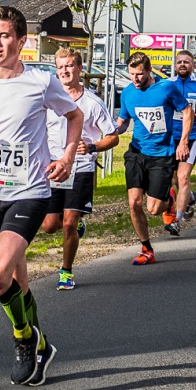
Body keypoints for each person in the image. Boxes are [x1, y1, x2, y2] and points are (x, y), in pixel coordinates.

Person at [0, 6, 82, 387]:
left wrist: (67, 156)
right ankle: (42, 347)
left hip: (30, 190)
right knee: (17, 281)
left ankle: (25, 338)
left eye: (4, 35)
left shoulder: (41, 82)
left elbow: (73, 117)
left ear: (21, 41)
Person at [42, 49, 119, 290]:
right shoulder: (50, 101)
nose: (64, 71)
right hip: (54, 166)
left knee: (68, 224)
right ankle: (78, 225)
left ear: (79, 69)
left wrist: (93, 146)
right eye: (60, 67)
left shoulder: (92, 102)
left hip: (81, 168)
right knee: (49, 226)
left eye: (69, 66)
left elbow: (113, 137)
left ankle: (66, 271)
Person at [114, 52, 193, 266]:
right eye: (131, 74)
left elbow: (187, 111)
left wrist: (183, 142)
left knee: (154, 209)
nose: (135, 79)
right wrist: (114, 129)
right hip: (137, 152)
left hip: (162, 155)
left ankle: (169, 198)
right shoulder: (128, 92)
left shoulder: (166, 88)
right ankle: (147, 249)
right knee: (134, 202)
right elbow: (123, 121)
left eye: (139, 74)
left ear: (149, 71)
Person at [161, 50, 196, 236]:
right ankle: (190, 197)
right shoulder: (166, 85)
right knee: (174, 179)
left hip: (192, 137)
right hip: (170, 137)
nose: (182, 65)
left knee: (183, 177)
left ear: (192, 66)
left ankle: (178, 220)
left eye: (186, 62)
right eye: (179, 62)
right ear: (175, 66)